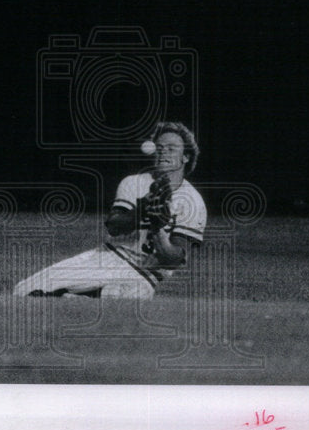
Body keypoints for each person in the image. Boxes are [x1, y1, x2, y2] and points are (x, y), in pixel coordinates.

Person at [13, 121, 207, 300]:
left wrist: (158, 229)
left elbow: (173, 259)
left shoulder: (194, 202)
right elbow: (114, 226)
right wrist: (142, 210)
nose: (163, 152)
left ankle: (76, 298)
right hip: (108, 257)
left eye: (171, 148)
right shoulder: (134, 182)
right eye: (159, 147)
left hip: (145, 274)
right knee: (23, 290)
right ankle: (78, 297)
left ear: (186, 156)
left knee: (121, 295)